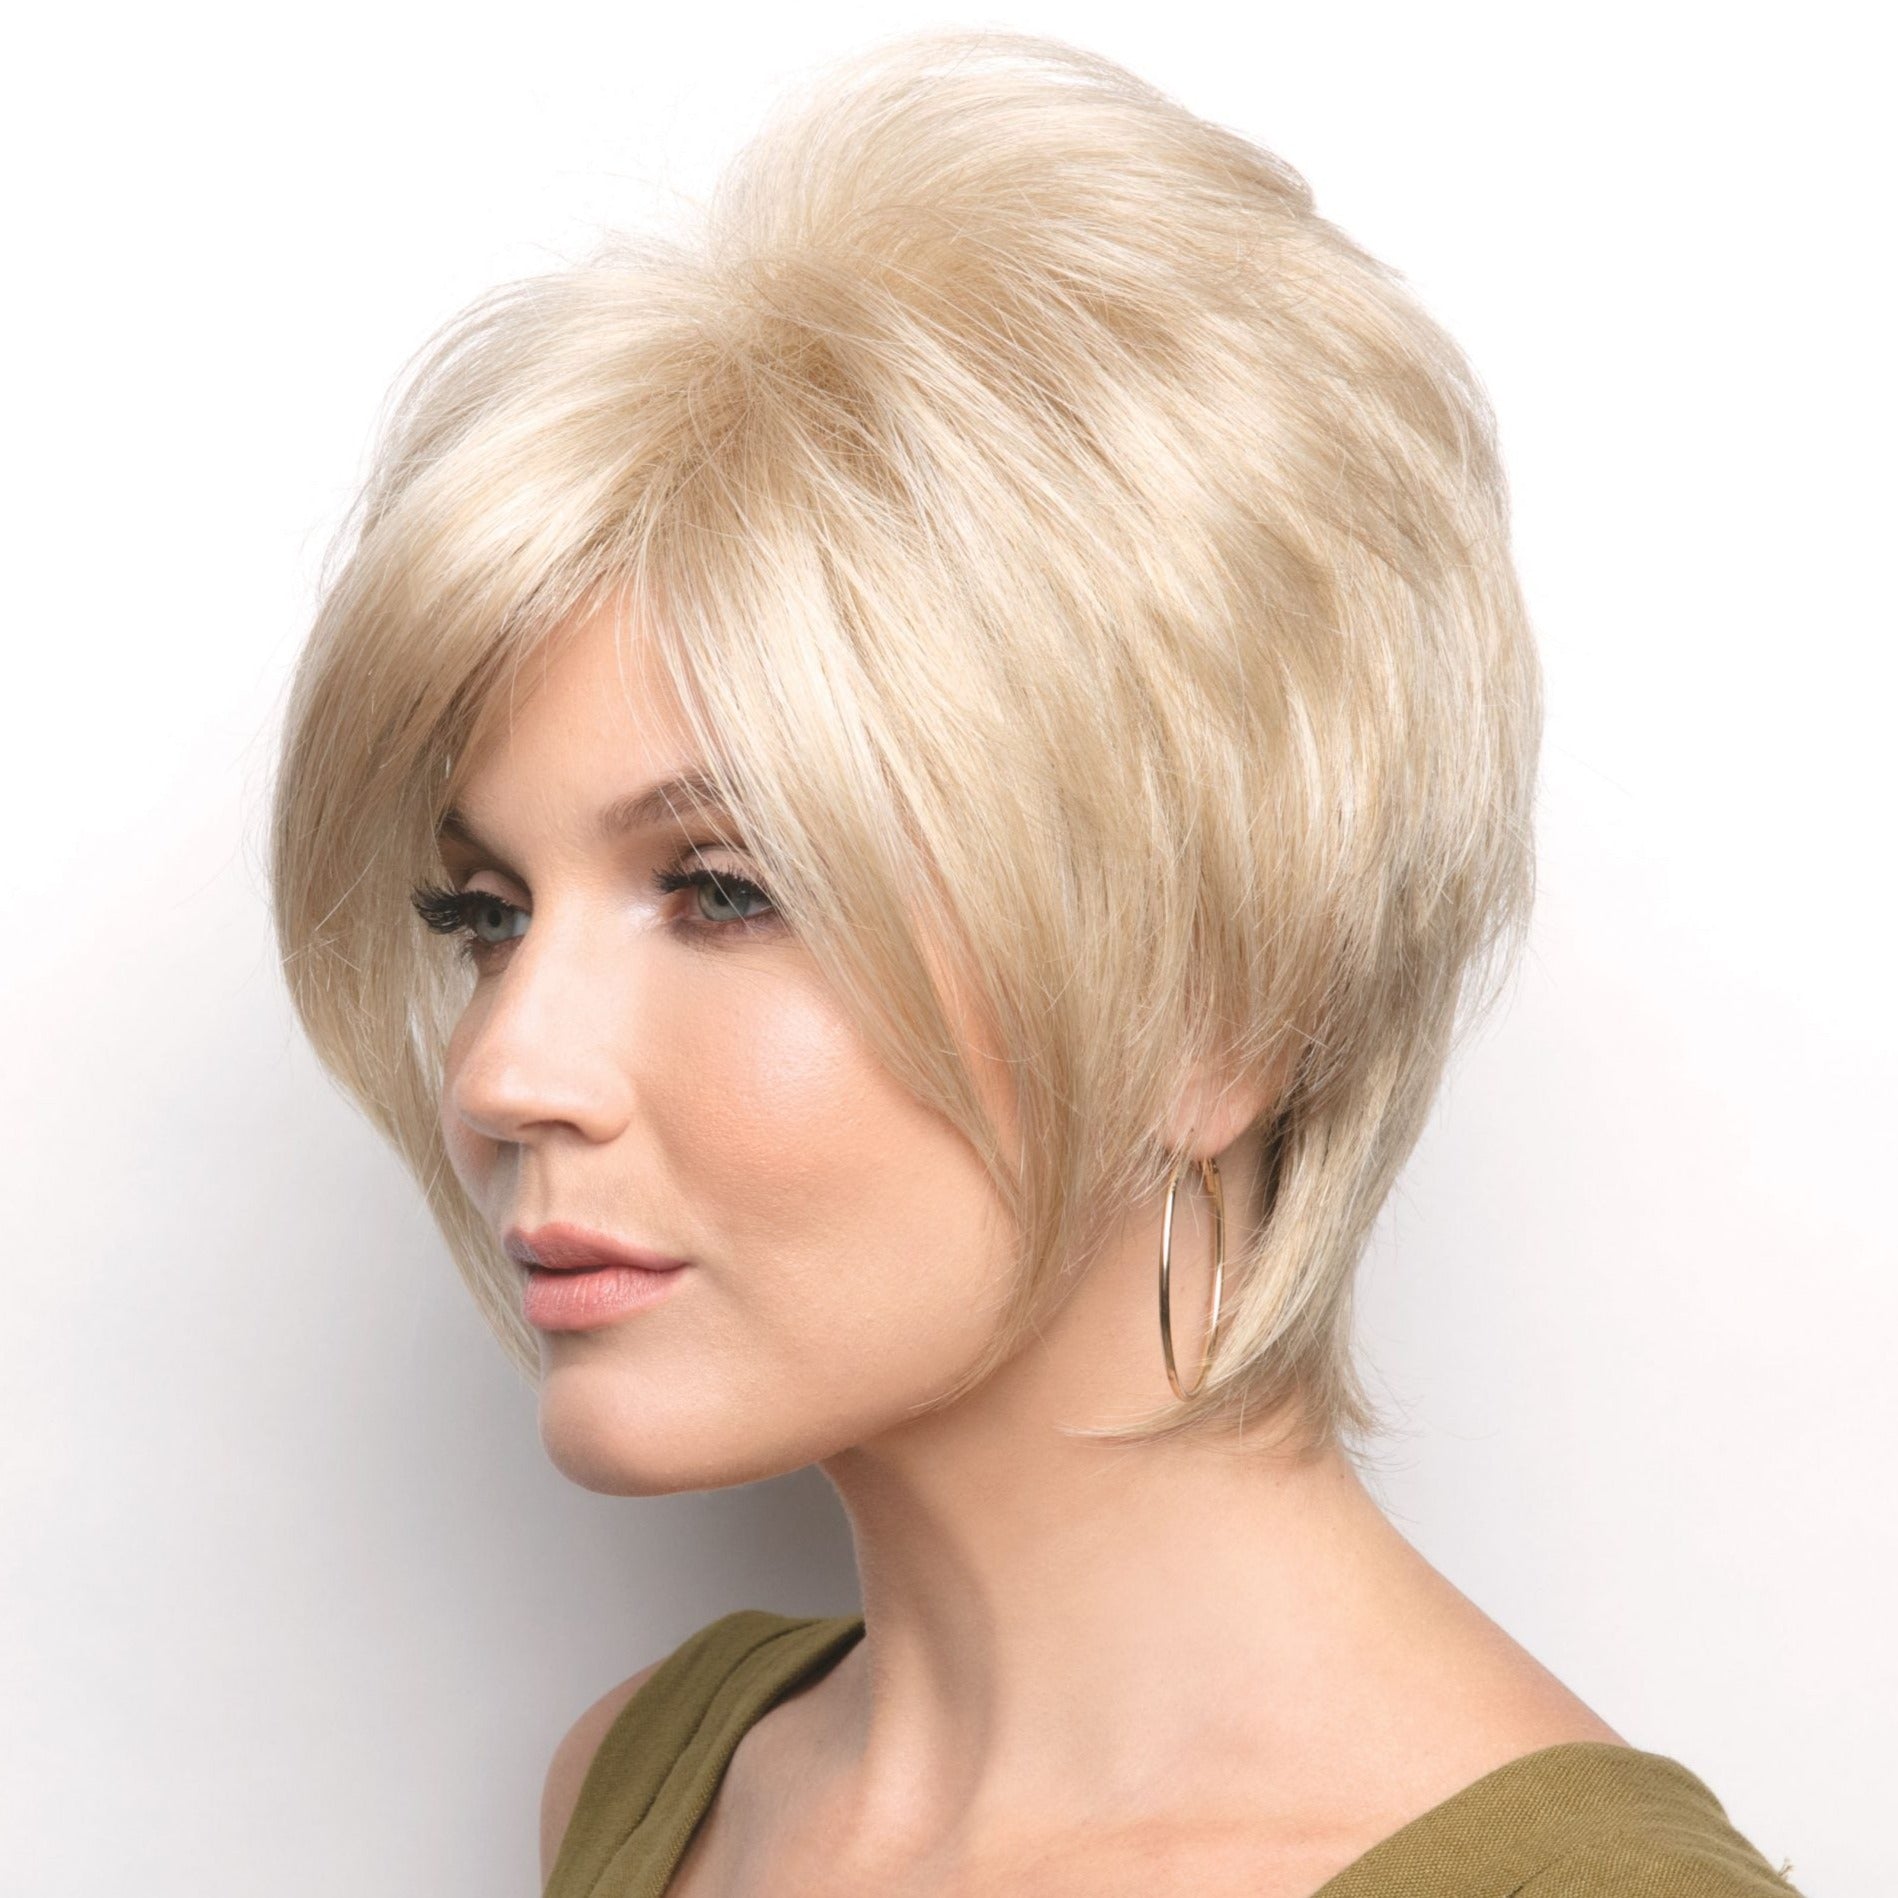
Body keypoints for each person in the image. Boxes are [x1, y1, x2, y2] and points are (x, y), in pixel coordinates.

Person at [267, 26, 1799, 1897]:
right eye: (485, 913)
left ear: (1217, 1005)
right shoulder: (658, 1784)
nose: (505, 1067)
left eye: (724, 889)